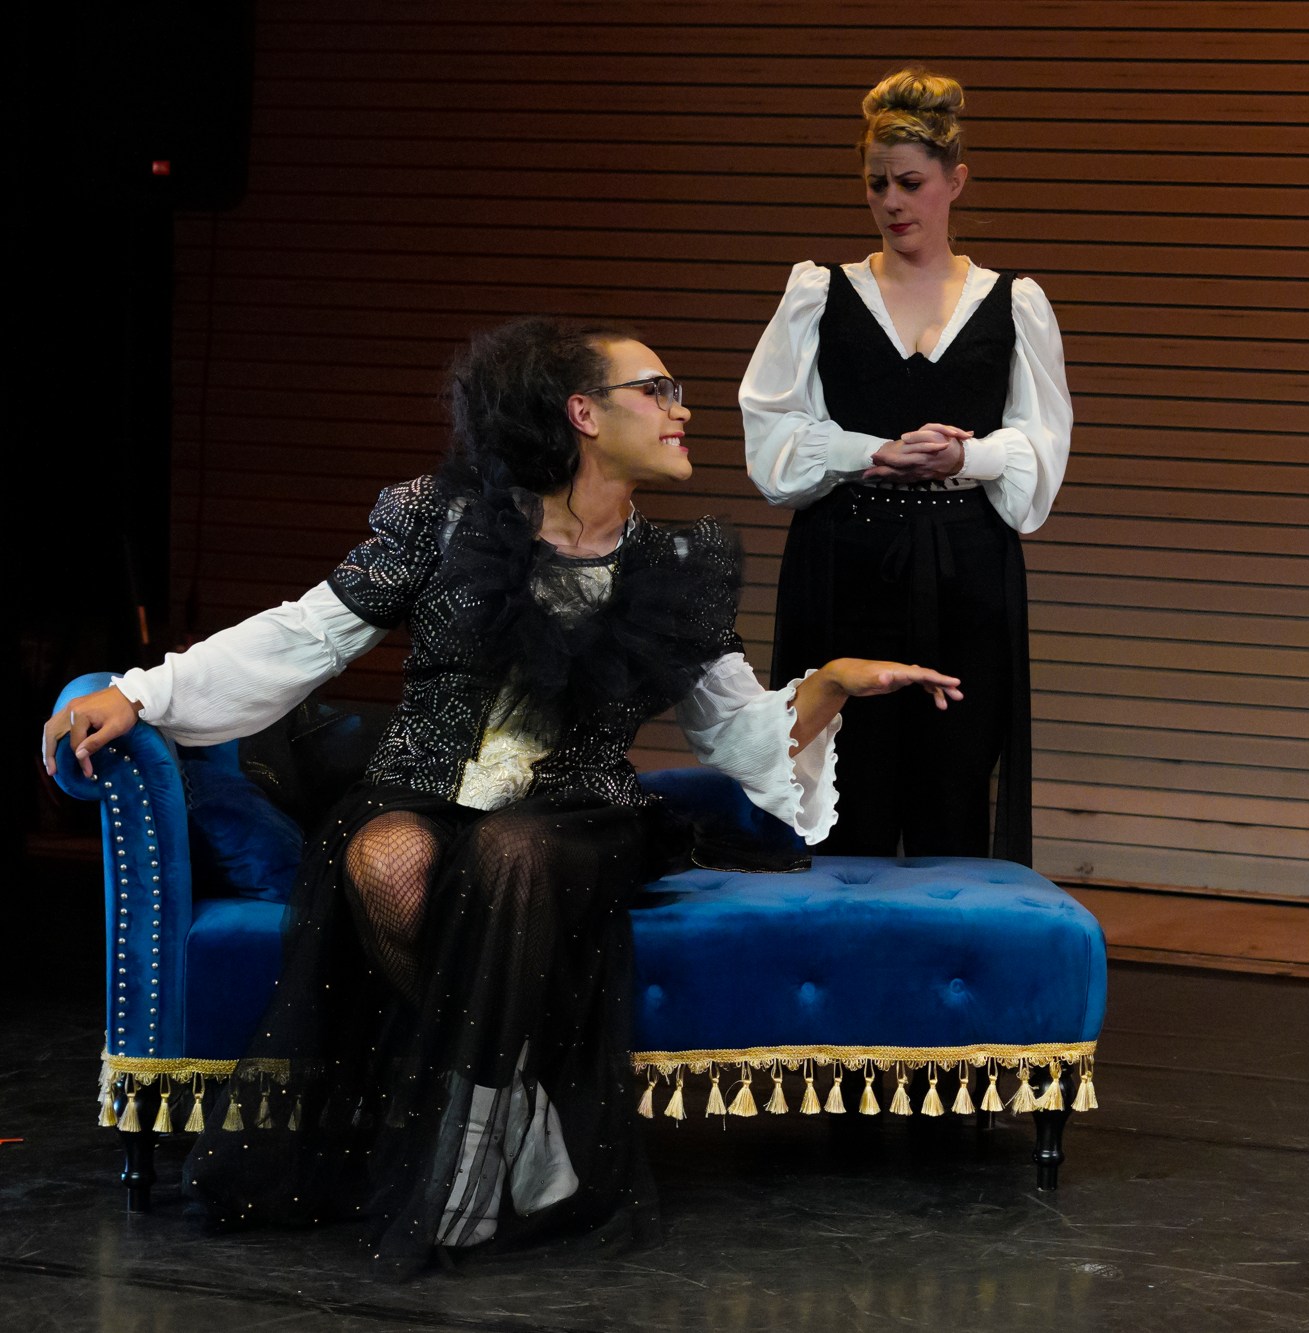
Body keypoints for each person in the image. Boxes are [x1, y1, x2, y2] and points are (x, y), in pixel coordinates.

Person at [42, 317, 960, 1275]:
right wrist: (142, 690)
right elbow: (304, 637)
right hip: (424, 786)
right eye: (658, 388)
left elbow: (739, 733)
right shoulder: (445, 522)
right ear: (583, 414)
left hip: (577, 815)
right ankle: (521, 1107)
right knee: (384, 857)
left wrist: (834, 682)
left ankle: (464, 1157)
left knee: (508, 851)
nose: (683, 409)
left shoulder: (675, 569)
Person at [740, 67, 1072, 863]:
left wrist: (971, 453)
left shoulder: (1013, 300)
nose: (892, 202)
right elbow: (772, 442)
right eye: (876, 184)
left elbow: (1040, 457)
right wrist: (871, 451)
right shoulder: (819, 292)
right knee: (843, 786)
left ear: (955, 183)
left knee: (956, 784)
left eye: (911, 183)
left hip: (968, 570)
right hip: (846, 561)